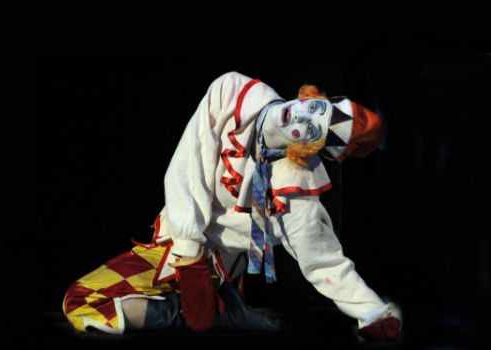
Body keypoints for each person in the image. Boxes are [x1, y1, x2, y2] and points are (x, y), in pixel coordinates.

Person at [61, 72, 401, 341]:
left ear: (306, 148)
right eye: (314, 109)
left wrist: (373, 313)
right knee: (82, 301)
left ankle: (216, 310)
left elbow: (322, 259)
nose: (300, 116)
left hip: (215, 270)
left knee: (80, 301)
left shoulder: (295, 190)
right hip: (174, 247)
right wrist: (189, 256)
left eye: (310, 130)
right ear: (310, 98)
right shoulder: (235, 93)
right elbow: (187, 168)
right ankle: (223, 313)